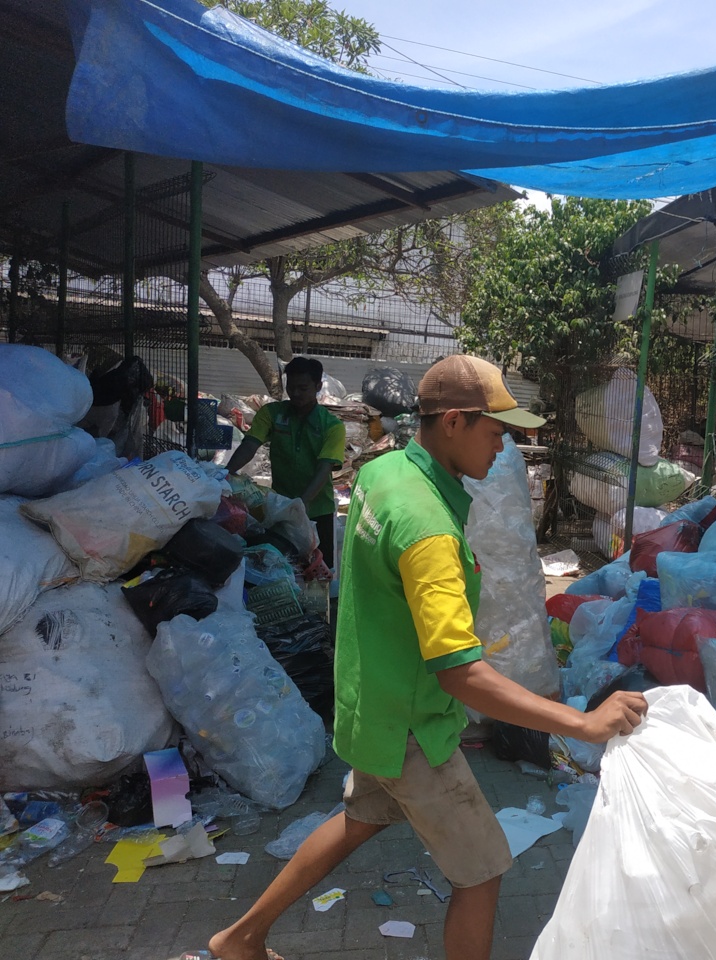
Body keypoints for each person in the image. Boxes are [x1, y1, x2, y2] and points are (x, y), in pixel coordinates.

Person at [209, 354, 649, 960]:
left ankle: (241, 938)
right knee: (484, 869)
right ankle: (241, 938)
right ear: (453, 422)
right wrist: (582, 723)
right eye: (496, 431)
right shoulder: (430, 530)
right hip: (413, 727)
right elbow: (461, 673)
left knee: (360, 820)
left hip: (373, 703)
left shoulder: (384, 473)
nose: (504, 446)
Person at [225, 356, 346, 569]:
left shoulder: (332, 426)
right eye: (291, 387)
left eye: (303, 388)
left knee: (319, 570)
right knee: (282, 566)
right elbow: (250, 445)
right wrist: (225, 474)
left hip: (318, 510)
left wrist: (301, 505)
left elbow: (324, 468)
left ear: (318, 386)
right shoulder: (272, 413)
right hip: (280, 507)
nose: (296, 393)